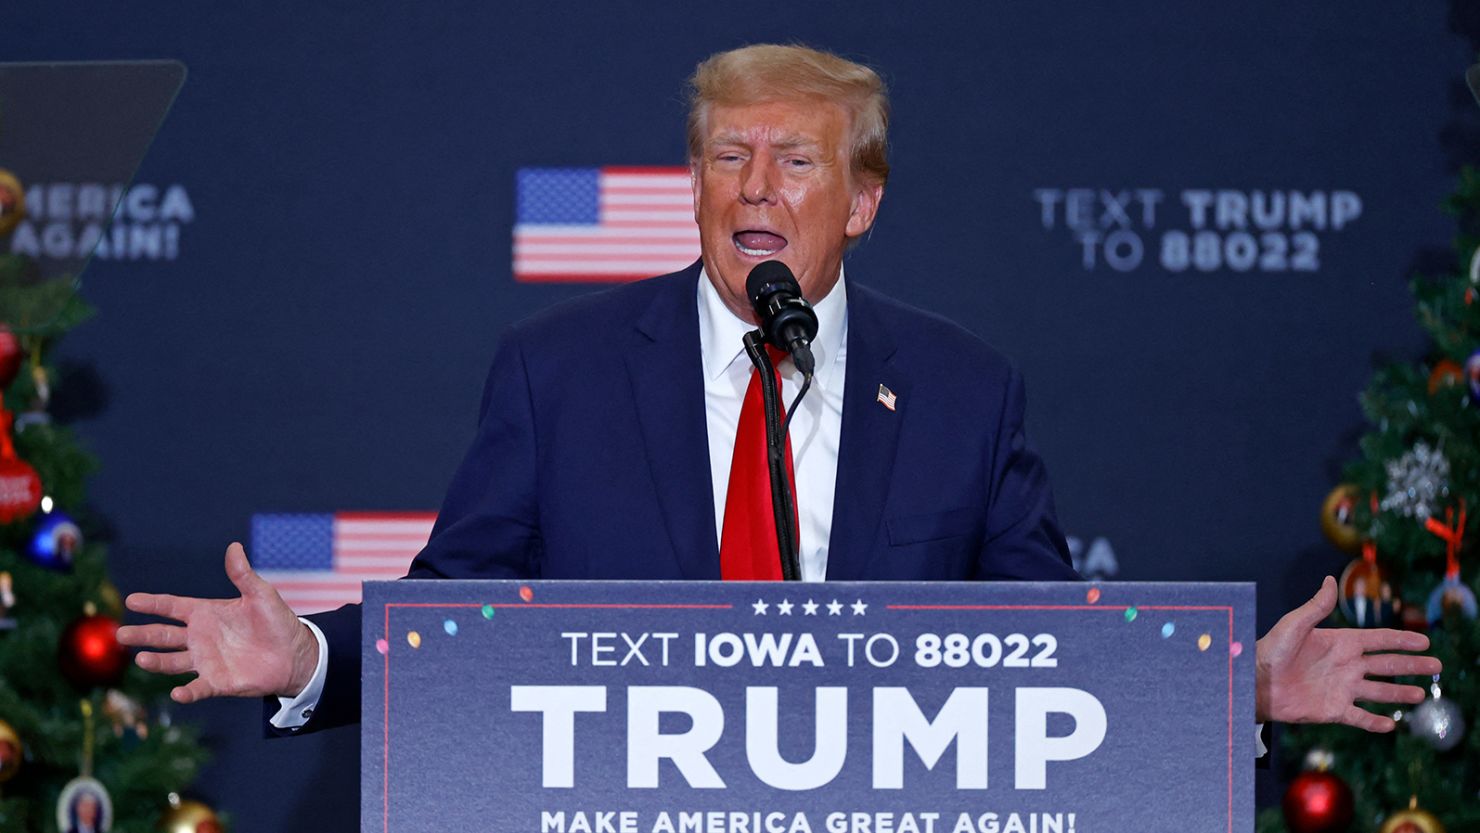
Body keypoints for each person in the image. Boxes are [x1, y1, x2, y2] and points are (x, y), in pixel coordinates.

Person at [117, 43, 1439, 740]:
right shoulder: (558, 376)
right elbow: (459, 618)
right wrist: (312, 659)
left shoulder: (966, 392)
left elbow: (1054, 647)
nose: (754, 188)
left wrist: (1228, 691)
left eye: (793, 161)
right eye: (727, 159)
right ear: (691, 188)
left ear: (860, 202)